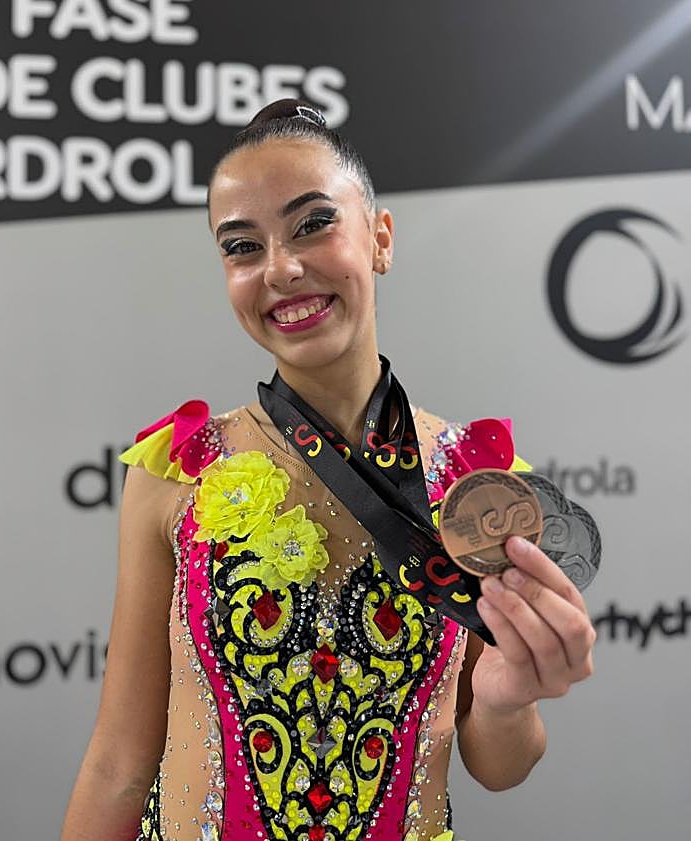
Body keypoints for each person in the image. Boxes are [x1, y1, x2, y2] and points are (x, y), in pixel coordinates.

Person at [61, 99, 596, 841]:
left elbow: (500, 763)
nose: (280, 268)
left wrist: (508, 701)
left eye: (313, 224)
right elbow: (118, 761)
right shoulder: (175, 472)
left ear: (380, 237)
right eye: (242, 247)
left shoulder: (480, 487)